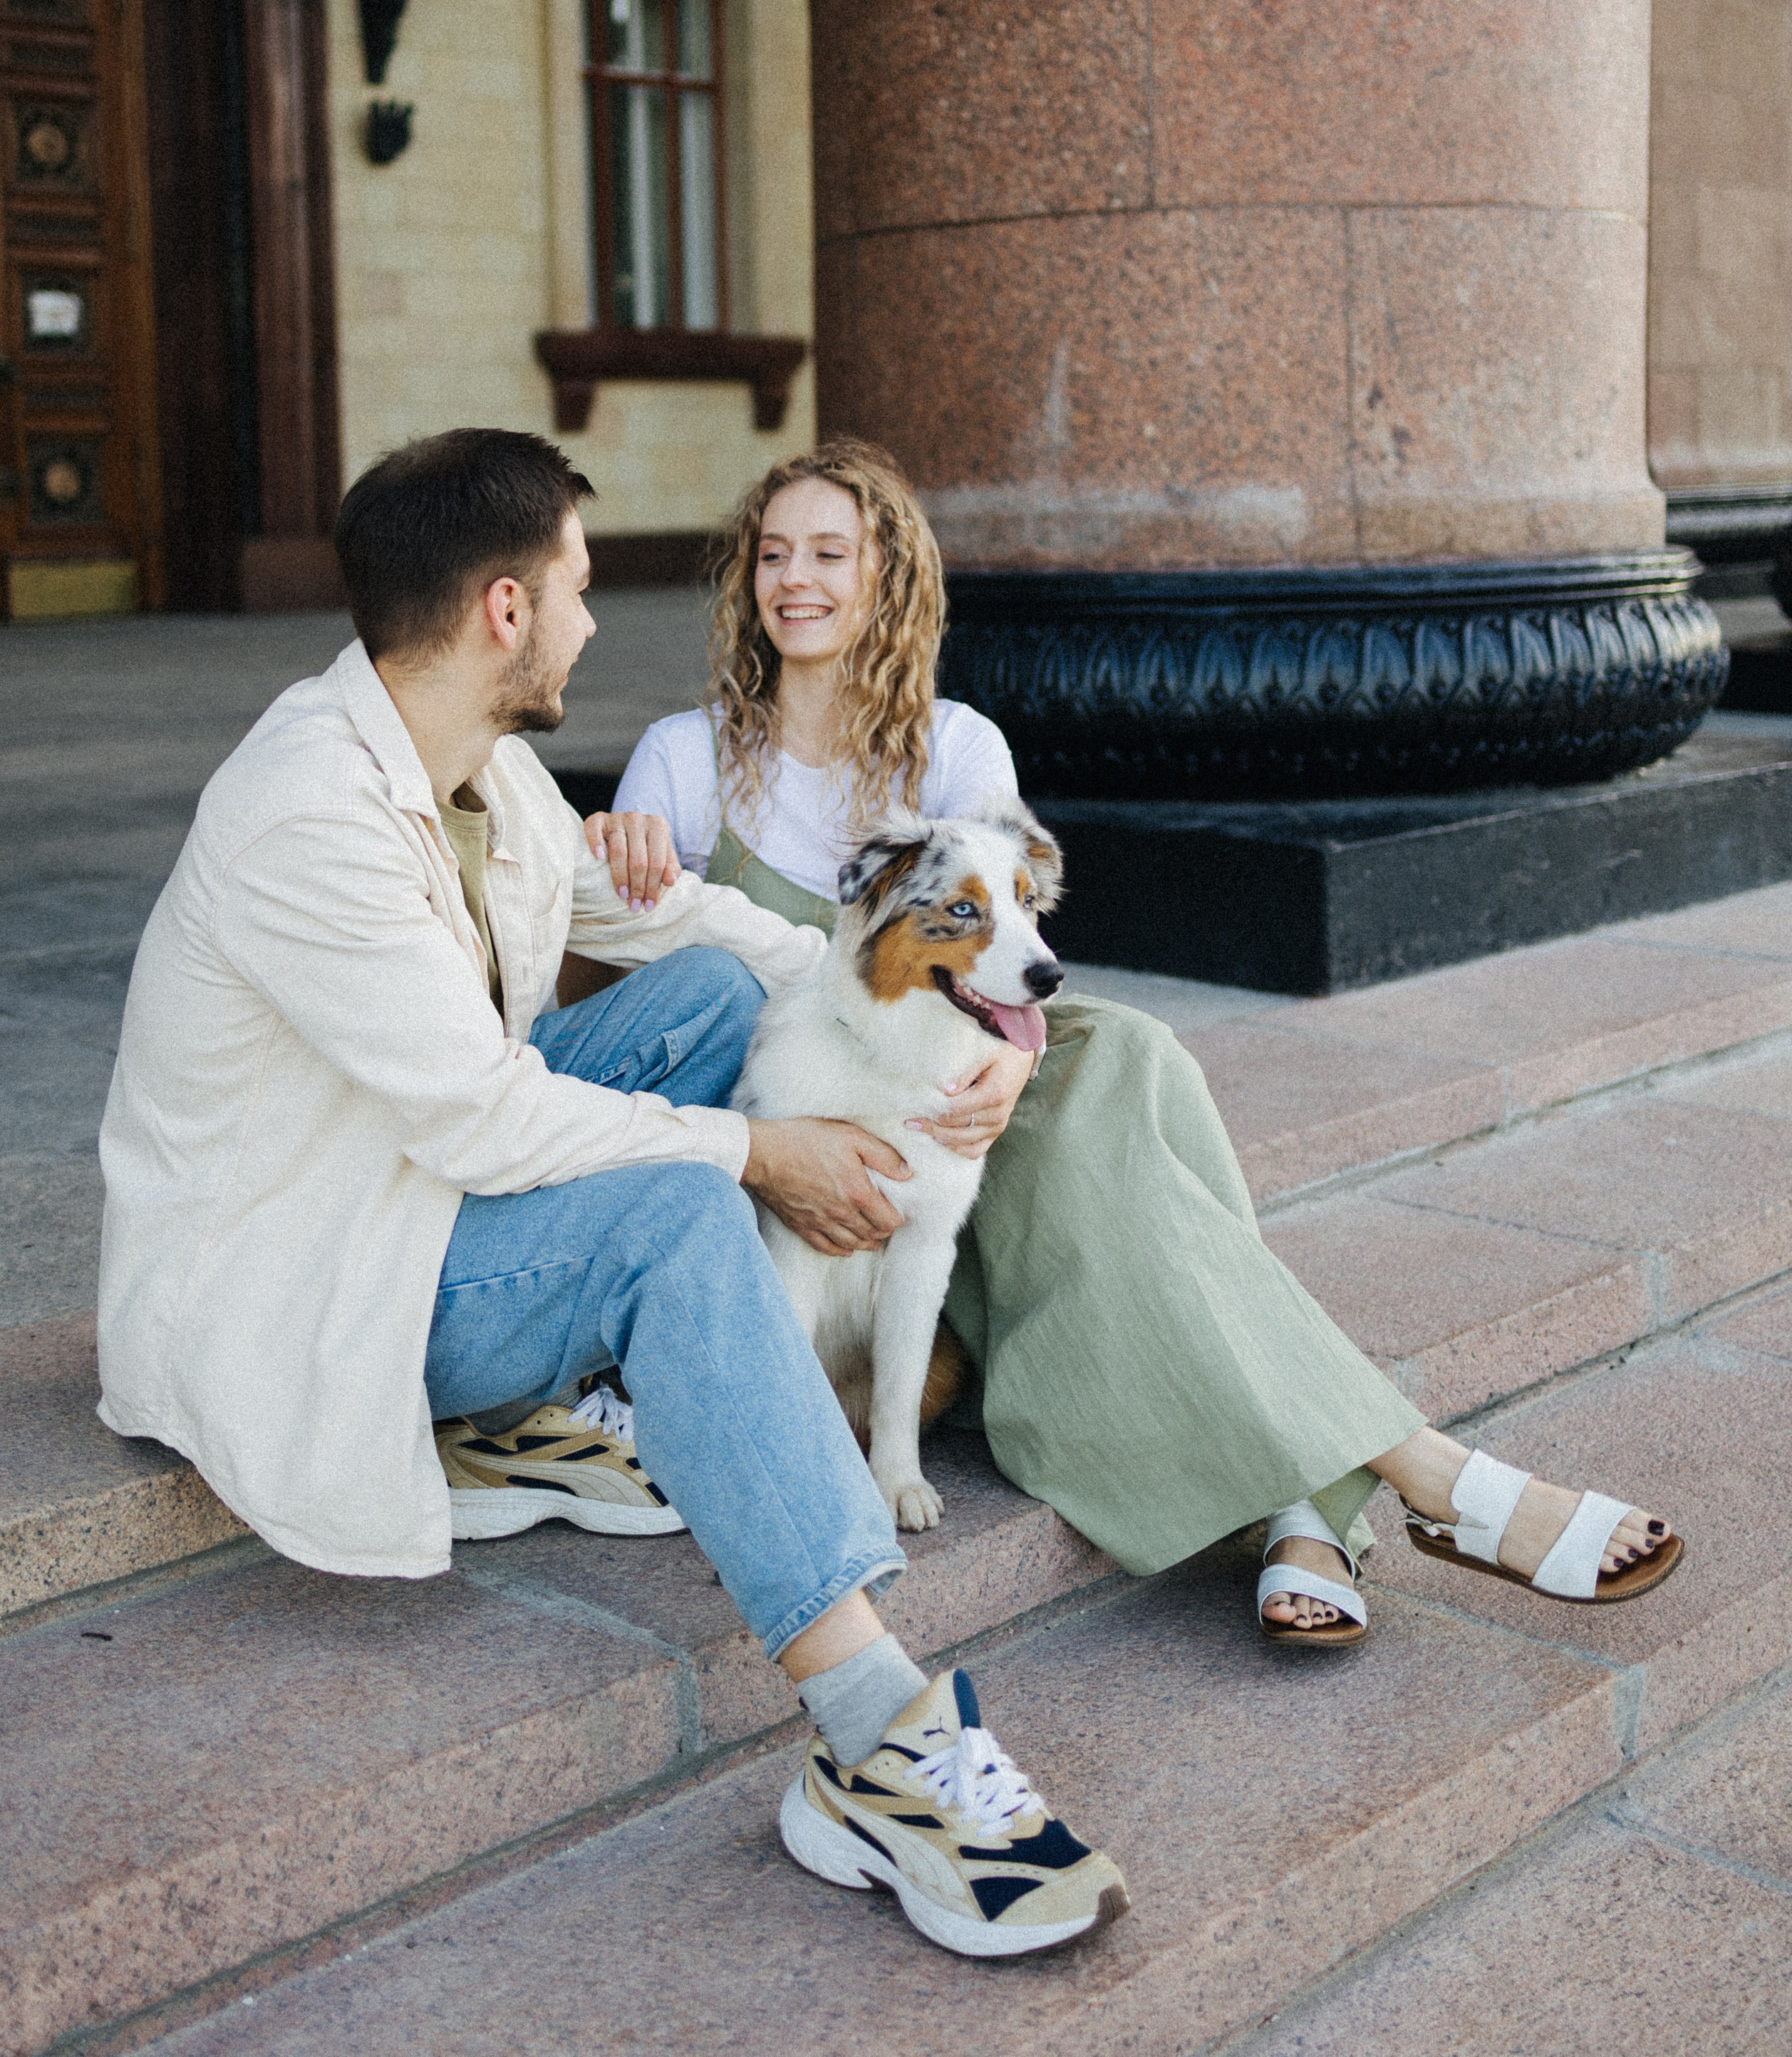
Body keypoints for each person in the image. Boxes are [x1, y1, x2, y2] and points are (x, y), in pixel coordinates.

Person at [95, 428, 1129, 1961]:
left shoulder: (475, 765)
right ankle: (875, 1743)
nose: (595, 619)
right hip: (308, 1273)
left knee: (709, 990)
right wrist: (766, 1154)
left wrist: (952, 1026)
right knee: (675, 1206)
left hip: (400, 1193)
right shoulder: (307, 812)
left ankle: (551, 1405)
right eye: (580, 587)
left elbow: (682, 923)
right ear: (505, 611)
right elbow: (488, 1118)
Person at [611, 438, 1682, 1647]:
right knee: (1122, 1158)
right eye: (772, 554)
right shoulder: (684, 755)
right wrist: (621, 863)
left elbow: (1020, 943)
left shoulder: (956, 746)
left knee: (1121, 1056)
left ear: (888, 579)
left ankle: (1355, 1489)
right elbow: (647, 974)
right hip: (814, 1113)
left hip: (959, 1074)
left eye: (828, 553)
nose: (793, 580)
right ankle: (1361, 1496)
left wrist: (1012, 1063)